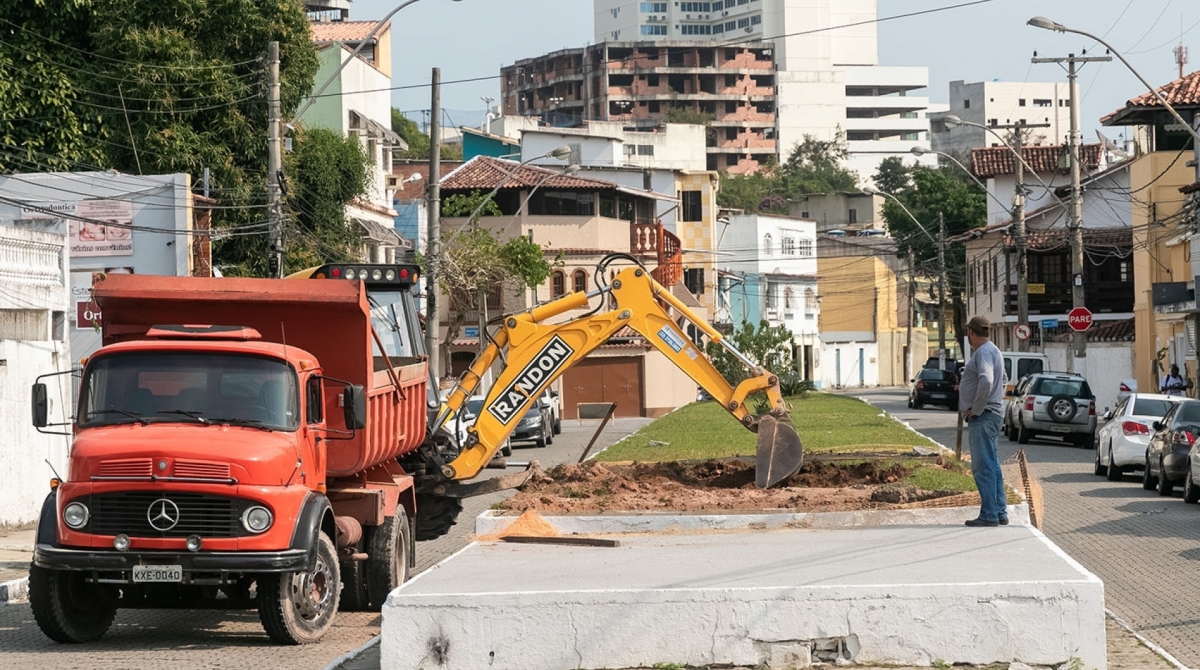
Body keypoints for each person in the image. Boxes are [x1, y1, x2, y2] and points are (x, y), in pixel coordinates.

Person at [958, 316, 1008, 527]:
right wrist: (995, 399)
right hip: (993, 413)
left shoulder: (983, 352)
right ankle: (999, 511)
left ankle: (989, 514)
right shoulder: (995, 350)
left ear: (971, 332)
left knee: (983, 467)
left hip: (984, 416)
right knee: (993, 465)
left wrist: (975, 410)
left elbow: (986, 380)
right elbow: (1004, 379)